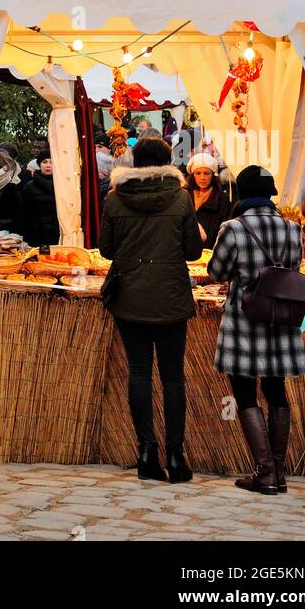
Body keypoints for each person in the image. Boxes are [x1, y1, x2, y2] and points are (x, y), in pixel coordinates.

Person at [99, 136, 202, 484]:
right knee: (173, 376)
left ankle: (146, 451)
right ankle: (175, 454)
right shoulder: (182, 197)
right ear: (168, 160)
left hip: (130, 297)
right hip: (171, 296)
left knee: (139, 373)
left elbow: (106, 250)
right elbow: (192, 252)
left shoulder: (115, 198)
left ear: (135, 160)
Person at [208, 164, 305, 496]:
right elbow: (292, 269)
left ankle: (263, 472)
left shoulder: (233, 228)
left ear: (243, 194)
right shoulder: (294, 229)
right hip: (281, 319)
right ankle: (278, 472)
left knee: (245, 392)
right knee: (277, 392)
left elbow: (217, 272)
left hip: (244, 321)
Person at [185, 153, 231, 249]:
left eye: (206, 173)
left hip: (209, 250)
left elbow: (223, 229)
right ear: (193, 175)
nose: (202, 178)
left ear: (213, 175)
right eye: (198, 173)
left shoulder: (221, 198)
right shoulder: (184, 195)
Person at [20, 148, 60, 247]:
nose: (48, 165)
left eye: (51, 162)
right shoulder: (29, 187)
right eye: (44, 162)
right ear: (39, 164)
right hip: (36, 235)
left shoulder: (63, 186)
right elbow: (24, 214)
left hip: (58, 234)